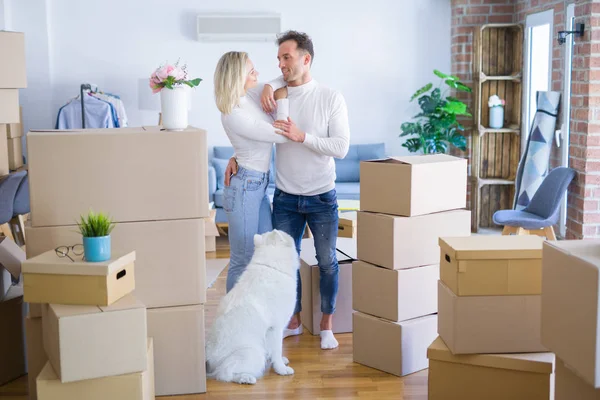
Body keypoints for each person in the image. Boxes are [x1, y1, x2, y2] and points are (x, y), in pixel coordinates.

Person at [225, 31, 350, 350]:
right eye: (278, 58)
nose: (280, 64)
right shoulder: (273, 96)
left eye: (286, 58)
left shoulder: (330, 97)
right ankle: (292, 320)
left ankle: (326, 324)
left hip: (322, 196)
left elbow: (341, 147)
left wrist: (302, 136)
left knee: (326, 262)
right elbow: (246, 124)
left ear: (305, 59)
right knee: (283, 262)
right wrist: (236, 156)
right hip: (284, 198)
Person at [214, 51, 290, 292]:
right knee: (242, 259)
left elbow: (281, 79)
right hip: (245, 186)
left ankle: (255, 310)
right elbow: (280, 134)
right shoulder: (232, 114)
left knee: (265, 252)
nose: (257, 73)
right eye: (251, 71)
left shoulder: (252, 94)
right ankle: (234, 319)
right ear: (237, 76)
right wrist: (282, 101)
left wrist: (269, 86)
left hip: (259, 184)